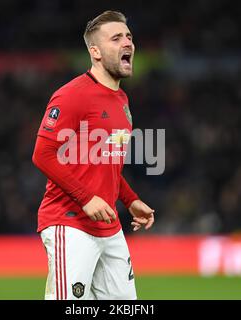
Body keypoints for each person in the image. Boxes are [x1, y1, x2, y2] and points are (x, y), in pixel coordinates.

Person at [32, 10, 154, 300]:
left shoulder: (122, 100)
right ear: (95, 52)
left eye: (129, 36)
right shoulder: (72, 94)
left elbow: (107, 164)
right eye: (116, 38)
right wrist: (86, 198)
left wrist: (130, 199)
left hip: (108, 226)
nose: (127, 43)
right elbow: (42, 154)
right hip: (70, 221)